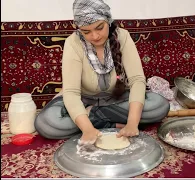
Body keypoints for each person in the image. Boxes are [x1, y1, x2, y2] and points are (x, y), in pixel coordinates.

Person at [34, 0, 170, 145]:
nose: (95, 36)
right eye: (86, 31)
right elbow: (71, 92)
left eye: (99, 28)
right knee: (46, 123)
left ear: (108, 20)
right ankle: (106, 124)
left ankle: (96, 117)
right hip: (83, 100)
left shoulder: (122, 36)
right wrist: (87, 129)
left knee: (159, 105)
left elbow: (137, 80)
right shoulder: (73, 43)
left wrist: (132, 122)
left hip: (117, 99)